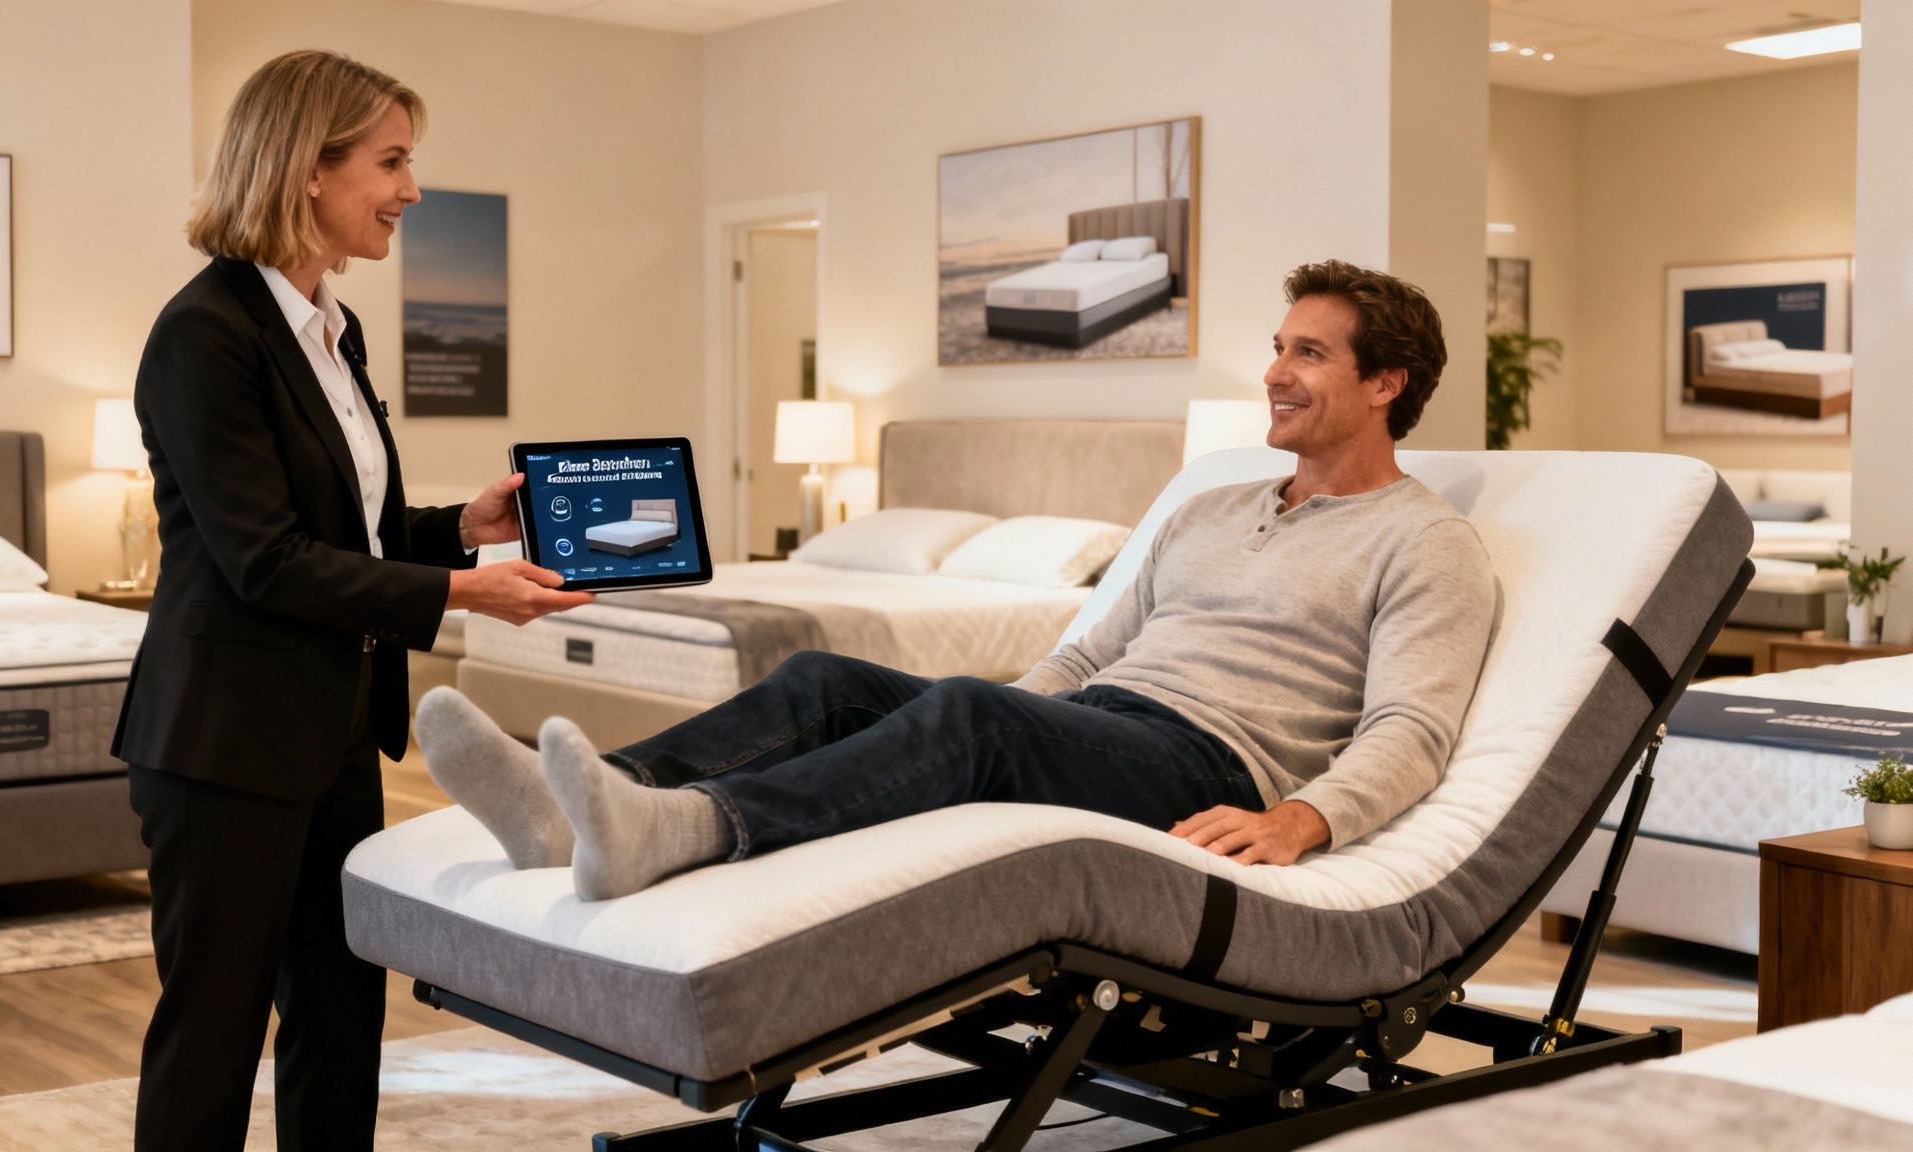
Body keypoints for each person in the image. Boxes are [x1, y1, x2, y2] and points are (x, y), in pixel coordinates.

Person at [418, 259, 1496, 904]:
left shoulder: (1422, 541)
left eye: (1307, 353)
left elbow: (1411, 726)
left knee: (974, 712)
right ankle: (585, 804)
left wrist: (1303, 818)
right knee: (823, 681)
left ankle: (689, 826)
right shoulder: (1209, 506)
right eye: (1276, 345)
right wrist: (992, 714)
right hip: (1108, 724)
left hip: (1209, 765)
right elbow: (1082, 654)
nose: (1272, 370)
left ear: (1385, 382)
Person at [112, 50, 590, 1152]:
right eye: (391, 161)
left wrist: (450, 532)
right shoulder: (205, 335)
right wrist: (462, 595)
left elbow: (343, 530)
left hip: (329, 729)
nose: (410, 191)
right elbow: (264, 562)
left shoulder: (331, 328)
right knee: (215, 1032)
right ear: (306, 170)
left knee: (339, 1016)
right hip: (223, 745)